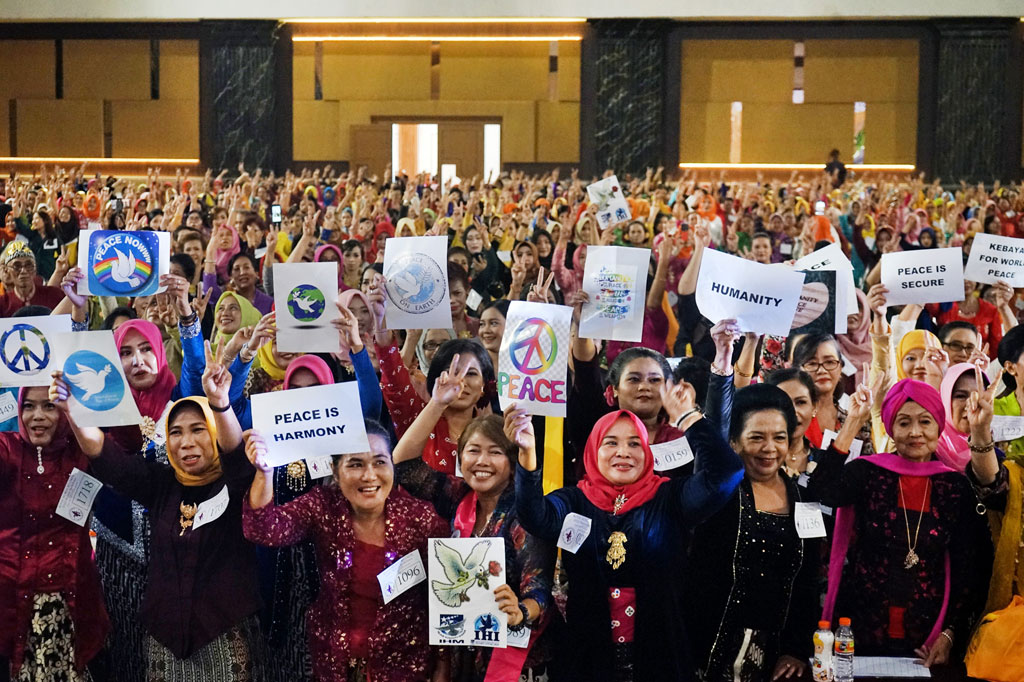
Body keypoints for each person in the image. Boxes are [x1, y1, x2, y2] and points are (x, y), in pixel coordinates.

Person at [52, 342, 266, 681]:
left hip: (224, 634)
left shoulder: (235, 485)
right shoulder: (162, 483)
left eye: (198, 430)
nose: (186, 442)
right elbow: (110, 462)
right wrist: (72, 410)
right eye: (176, 433)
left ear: (214, 433)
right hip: (164, 640)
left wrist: (220, 402)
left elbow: (237, 458)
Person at [510, 397, 744, 681]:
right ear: (593, 449)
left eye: (635, 444)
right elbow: (535, 516)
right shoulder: (575, 499)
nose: (624, 452)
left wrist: (689, 419)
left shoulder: (670, 498)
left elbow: (727, 474)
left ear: (647, 452)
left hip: (661, 655)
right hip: (587, 657)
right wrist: (527, 454)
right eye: (611, 443)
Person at [242, 421, 449, 682]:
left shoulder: (421, 520)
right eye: (355, 464)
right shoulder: (323, 506)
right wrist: (265, 473)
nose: (369, 475)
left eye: (380, 462)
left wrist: (443, 663)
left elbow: (445, 598)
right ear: (336, 472)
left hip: (404, 667)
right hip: (334, 665)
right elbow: (264, 530)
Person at [809, 378, 991, 665]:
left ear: (939, 426)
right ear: (891, 428)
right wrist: (852, 423)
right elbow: (820, 491)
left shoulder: (955, 486)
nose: (915, 432)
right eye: (904, 423)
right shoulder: (868, 473)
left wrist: (949, 635)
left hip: (927, 638)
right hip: (861, 627)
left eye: (925, 422)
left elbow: (969, 567)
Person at [394, 379, 556, 681]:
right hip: (464, 655)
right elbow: (403, 464)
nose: (482, 461)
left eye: (495, 452)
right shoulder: (456, 496)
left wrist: (521, 610)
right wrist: (437, 403)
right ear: (460, 458)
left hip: (514, 661)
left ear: (510, 462)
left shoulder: (525, 513)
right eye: (473, 451)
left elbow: (541, 587)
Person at [687, 384, 818, 682]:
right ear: (734, 442)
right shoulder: (714, 494)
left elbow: (807, 583)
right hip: (705, 649)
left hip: (773, 658)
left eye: (779, 438)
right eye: (756, 437)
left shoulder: (804, 501)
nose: (769, 449)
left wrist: (796, 649)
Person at [0, 387, 109, 681]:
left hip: (73, 599)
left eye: (49, 406)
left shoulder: (80, 450)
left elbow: (125, 441)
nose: (37, 417)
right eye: (29, 407)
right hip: (13, 601)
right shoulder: (7, 449)